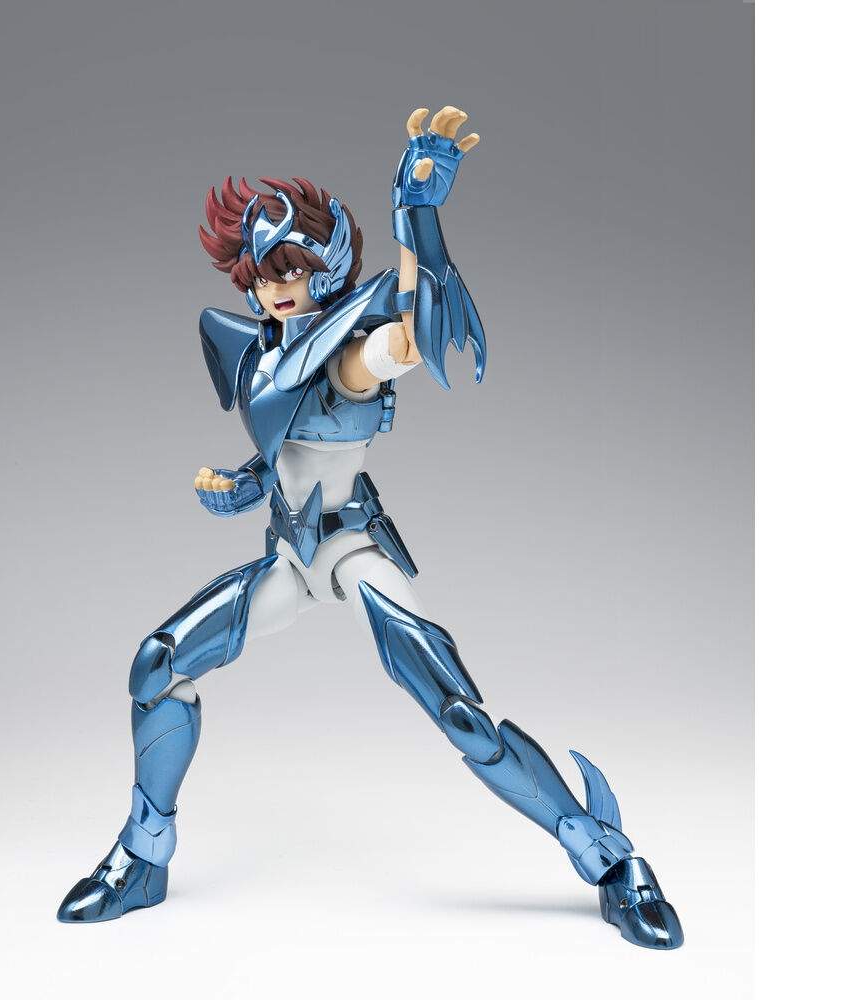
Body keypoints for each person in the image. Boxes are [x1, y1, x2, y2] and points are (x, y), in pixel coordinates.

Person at [57, 106, 683, 950]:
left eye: (294, 266)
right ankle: (143, 856)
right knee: (156, 664)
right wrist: (241, 486)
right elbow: (285, 455)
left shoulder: (345, 356)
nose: (279, 284)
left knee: (459, 712)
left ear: (327, 267)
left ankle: (609, 857)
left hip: (351, 551)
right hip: (289, 558)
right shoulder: (258, 356)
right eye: (264, 271)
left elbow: (408, 342)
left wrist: (415, 216)